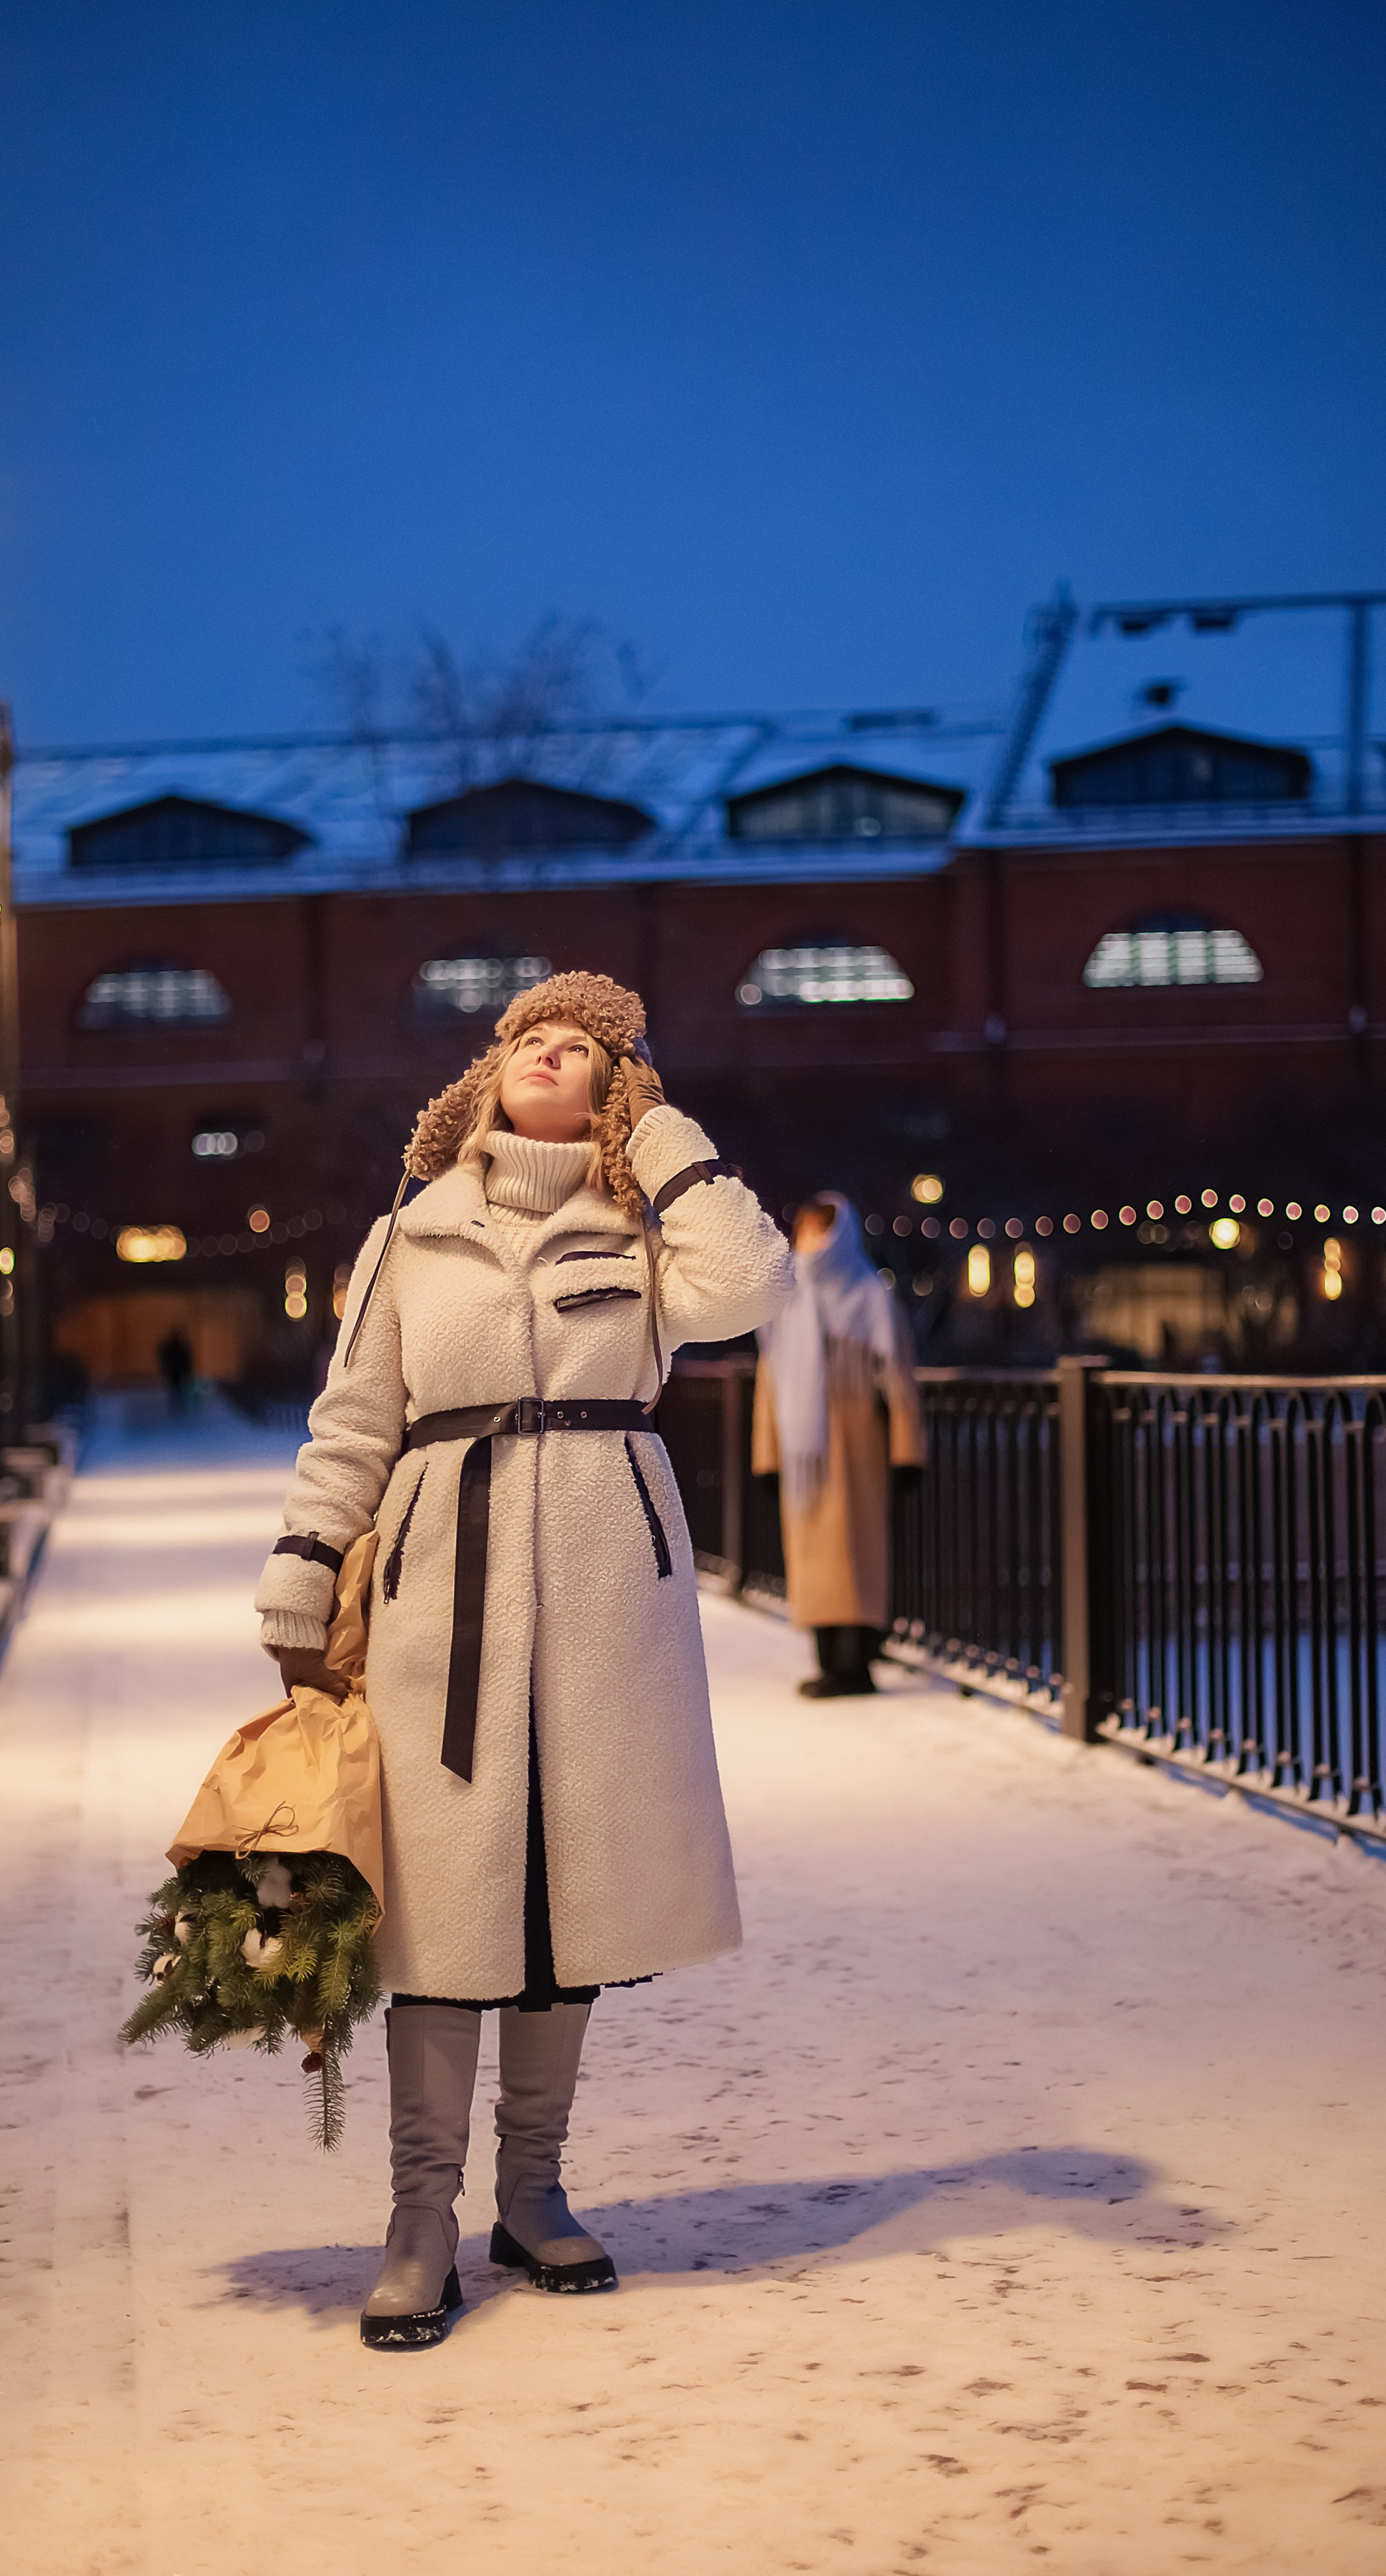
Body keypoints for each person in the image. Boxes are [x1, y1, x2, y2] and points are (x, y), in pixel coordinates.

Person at [254, 970, 792, 2349]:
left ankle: (532, 2191)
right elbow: (355, 1419)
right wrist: (308, 1564)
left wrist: (663, 1139)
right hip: (447, 1589)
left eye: (589, 1049)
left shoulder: (649, 1227)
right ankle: (420, 2218)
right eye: (530, 1041)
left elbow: (753, 1284)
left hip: (612, 1599)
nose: (553, 1055)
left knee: (568, 1899)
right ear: (484, 1076)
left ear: (618, 1087)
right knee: (441, 1906)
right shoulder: (409, 1236)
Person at [752, 1192, 924, 1699]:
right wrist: (767, 1456)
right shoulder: (788, 1298)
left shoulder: (869, 1295)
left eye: (813, 1231)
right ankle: (830, 1661)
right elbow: (771, 1382)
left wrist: (907, 1451)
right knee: (814, 1558)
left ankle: (857, 1664)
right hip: (805, 1451)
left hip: (857, 1446)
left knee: (858, 1552)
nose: (804, 1241)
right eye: (802, 1231)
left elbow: (898, 1380)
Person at [157, 1324, 194, 1414]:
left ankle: (177, 1405)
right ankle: (177, 1405)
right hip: (176, 1369)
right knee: (176, 1387)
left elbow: (187, 1358)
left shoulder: (180, 1346)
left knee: (177, 1387)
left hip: (177, 1369)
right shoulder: (179, 1346)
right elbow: (164, 1357)